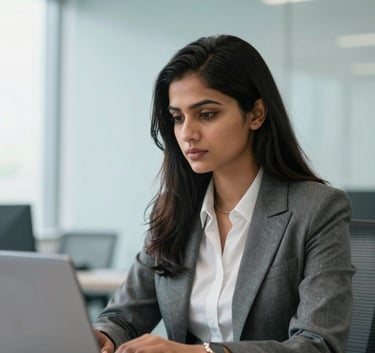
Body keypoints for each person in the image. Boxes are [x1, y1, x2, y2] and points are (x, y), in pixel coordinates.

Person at [93, 34, 354, 353]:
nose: (187, 133)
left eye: (206, 114)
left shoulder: (317, 210)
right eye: (178, 118)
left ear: (256, 114)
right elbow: (123, 316)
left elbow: (318, 344)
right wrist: (101, 336)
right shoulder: (176, 210)